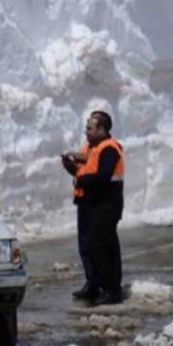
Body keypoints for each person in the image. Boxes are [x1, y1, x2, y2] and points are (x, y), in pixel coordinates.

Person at [60, 110, 125, 305]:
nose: (86, 132)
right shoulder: (91, 147)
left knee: (103, 247)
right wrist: (70, 167)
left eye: (90, 128)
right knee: (87, 247)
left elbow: (102, 177)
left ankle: (112, 289)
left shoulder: (109, 149)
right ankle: (93, 284)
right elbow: (84, 172)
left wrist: (81, 179)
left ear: (102, 130)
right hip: (88, 203)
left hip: (106, 205)